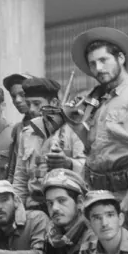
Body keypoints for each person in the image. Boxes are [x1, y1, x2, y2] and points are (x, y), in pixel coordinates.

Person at [71, 27, 128, 235]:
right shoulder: (98, 100)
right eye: (92, 64)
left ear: (121, 58)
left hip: (127, 191)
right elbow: (94, 148)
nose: (98, 68)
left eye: (103, 60)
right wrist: (76, 125)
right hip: (99, 193)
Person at [11, 77, 85, 211]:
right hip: (34, 207)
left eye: (37, 103)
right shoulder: (27, 133)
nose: (32, 109)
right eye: (29, 104)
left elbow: (89, 169)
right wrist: (17, 210)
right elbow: (21, 178)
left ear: (54, 102)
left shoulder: (75, 130)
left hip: (66, 206)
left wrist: (68, 163)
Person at [2, 72, 33, 182]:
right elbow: (13, 169)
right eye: (13, 96)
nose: (17, 100)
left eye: (22, 94)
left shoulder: (51, 125)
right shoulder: (18, 129)